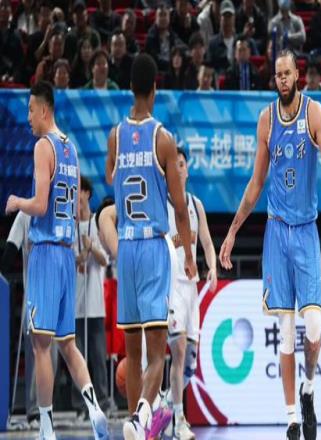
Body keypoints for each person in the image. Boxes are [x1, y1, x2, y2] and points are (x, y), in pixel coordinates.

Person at [219, 49, 321, 440]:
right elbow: (255, 184)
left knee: (314, 325)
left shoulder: (313, 113)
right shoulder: (266, 120)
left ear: (298, 75)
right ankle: (291, 420)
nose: (282, 79)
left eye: (287, 73)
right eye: (277, 74)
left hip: (305, 231)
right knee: (285, 330)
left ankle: (308, 388)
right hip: (276, 232)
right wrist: (232, 231)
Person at [5, 81, 108, 440]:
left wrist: (17, 202)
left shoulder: (43, 146)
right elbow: (75, 211)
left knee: (40, 345)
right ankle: (94, 407)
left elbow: (39, 205)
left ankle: (46, 427)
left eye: (31, 110)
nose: (28, 117)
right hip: (67, 254)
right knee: (68, 344)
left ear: (44, 109)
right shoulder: (72, 149)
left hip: (47, 253)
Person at [105, 53, 196, 439]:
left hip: (126, 247)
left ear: (130, 88)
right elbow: (180, 208)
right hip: (154, 249)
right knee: (158, 353)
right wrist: (188, 255)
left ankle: (135, 424)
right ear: (155, 89)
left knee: (133, 352)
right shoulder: (164, 139)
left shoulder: (115, 136)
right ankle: (142, 413)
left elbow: (110, 178)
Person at [153, 148, 218, 439]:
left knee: (190, 364)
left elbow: (207, 242)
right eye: (174, 165)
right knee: (177, 351)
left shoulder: (196, 204)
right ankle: (179, 420)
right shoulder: (160, 205)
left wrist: (212, 267)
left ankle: (165, 406)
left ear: (188, 170)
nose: (178, 169)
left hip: (191, 289)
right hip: (172, 287)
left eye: (182, 164)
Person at [0, 211, 59, 429]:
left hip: (56, 295)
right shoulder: (25, 215)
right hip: (34, 295)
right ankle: (35, 412)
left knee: (53, 358)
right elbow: (11, 248)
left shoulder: (58, 213)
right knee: (38, 356)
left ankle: (45, 409)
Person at [71, 176, 110, 418]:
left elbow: (105, 259)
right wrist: (80, 256)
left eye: (79, 192)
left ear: (86, 193)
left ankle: (103, 400)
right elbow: (69, 260)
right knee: (77, 357)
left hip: (95, 303)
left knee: (97, 355)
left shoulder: (97, 223)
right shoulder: (70, 225)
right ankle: (80, 405)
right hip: (76, 303)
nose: (76, 198)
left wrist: (91, 247)